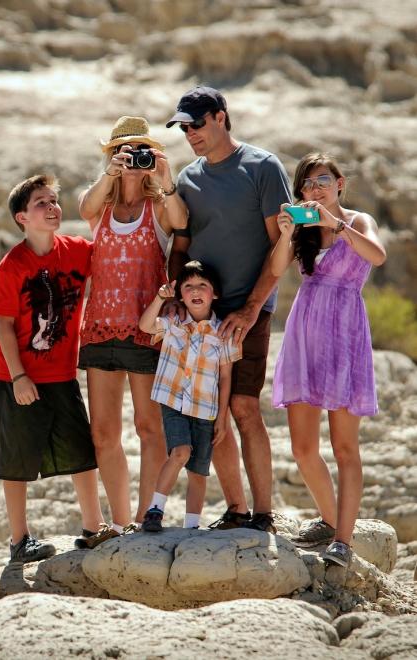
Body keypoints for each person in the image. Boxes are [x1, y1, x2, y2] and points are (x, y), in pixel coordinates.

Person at [166, 86, 292, 531]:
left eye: (196, 124)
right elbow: (180, 246)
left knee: (242, 406)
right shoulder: (186, 179)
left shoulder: (263, 167)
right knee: (207, 409)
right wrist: (177, 299)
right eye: (184, 128)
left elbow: (282, 245)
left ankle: (263, 514)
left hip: (248, 309)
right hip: (203, 313)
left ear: (221, 117)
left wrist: (252, 308)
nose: (190, 134)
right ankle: (236, 510)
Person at [270, 152, 386, 567]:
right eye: (306, 184)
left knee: (345, 447)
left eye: (321, 180)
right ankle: (331, 517)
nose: (313, 189)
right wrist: (287, 233)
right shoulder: (303, 230)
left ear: (340, 183)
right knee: (302, 447)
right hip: (304, 335)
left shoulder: (357, 221)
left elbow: (377, 256)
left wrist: (334, 224)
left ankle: (342, 540)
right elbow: (276, 269)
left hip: (345, 336)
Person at [0, 174, 111, 564]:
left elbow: (111, 252)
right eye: (41, 203)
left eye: (54, 201)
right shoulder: (11, 267)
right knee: (17, 459)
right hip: (18, 377)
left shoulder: (77, 251)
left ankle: (94, 528)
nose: (52, 208)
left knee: (81, 451)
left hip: (62, 374)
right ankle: (19, 540)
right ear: (22, 217)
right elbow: (4, 326)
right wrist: (20, 376)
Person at [78, 116, 188, 534]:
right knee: (104, 432)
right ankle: (119, 521)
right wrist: (111, 174)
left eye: (139, 152)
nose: (132, 161)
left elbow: (179, 220)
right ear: (110, 157)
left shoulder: (158, 205)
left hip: (146, 331)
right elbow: (84, 208)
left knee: (149, 427)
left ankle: (147, 517)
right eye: (124, 153)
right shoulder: (101, 208)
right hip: (101, 328)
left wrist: (164, 175)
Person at [139, 261, 241, 532]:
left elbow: (226, 377)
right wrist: (161, 298)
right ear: (180, 295)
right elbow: (146, 325)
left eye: (202, 286)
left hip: (206, 408)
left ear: (214, 294)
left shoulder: (224, 334)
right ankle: (155, 510)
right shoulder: (173, 322)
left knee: (198, 471)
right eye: (188, 286)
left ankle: (191, 528)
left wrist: (223, 417)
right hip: (173, 400)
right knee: (180, 452)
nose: (195, 290)